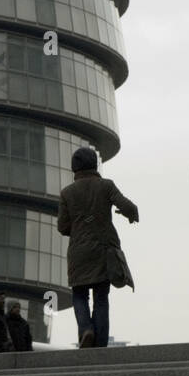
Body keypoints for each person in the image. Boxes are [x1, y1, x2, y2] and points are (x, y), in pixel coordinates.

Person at [56, 146, 138, 348]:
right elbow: (129, 207)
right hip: (103, 250)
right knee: (101, 298)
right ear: (95, 164)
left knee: (79, 295)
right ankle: (100, 344)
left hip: (78, 253)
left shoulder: (67, 193)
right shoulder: (106, 186)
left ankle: (86, 330)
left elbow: (62, 227)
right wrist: (130, 216)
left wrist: (79, 228)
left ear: (74, 167)